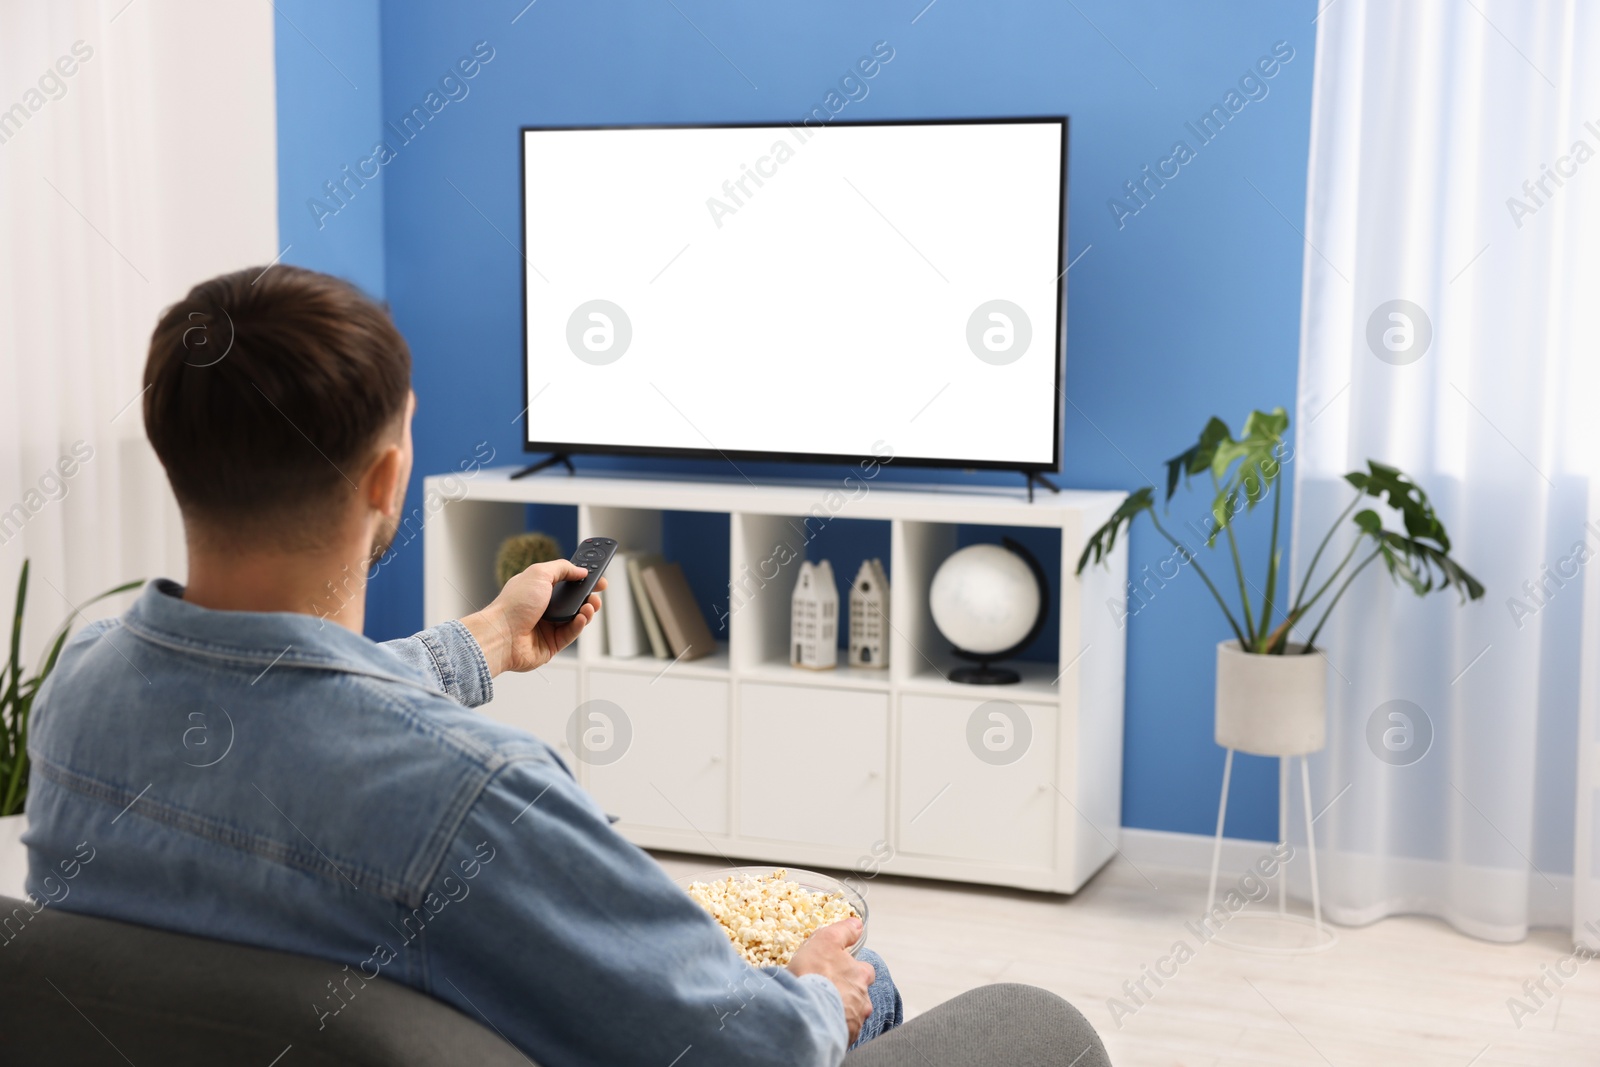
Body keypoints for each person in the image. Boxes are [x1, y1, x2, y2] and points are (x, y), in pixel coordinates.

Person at [24, 265, 901, 1065]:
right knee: (868, 978)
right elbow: (753, 1051)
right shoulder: (478, 793)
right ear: (385, 478)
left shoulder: (84, 684)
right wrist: (820, 989)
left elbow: (281, 704)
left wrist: (482, 638)